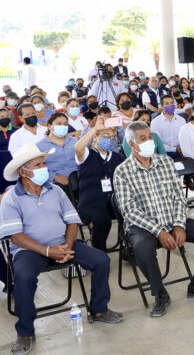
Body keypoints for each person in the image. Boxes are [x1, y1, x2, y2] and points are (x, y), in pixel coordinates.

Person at [1, 144, 124, 354]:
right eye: (38, 164)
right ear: (23, 170)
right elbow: (15, 236)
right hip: (30, 251)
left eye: (44, 163)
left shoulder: (55, 190)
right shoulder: (11, 197)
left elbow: (72, 221)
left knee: (101, 260)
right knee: (22, 276)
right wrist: (48, 252)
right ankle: (25, 332)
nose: (44, 168)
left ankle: (98, 310)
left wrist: (67, 245)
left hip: (63, 243)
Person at [114, 122, 194, 317]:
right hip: (144, 227)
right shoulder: (122, 171)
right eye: (143, 138)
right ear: (132, 144)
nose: (149, 141)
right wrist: (160, 231)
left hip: (172, 220)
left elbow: (179, 197)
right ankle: (160, 294)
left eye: (150, 137)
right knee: (142, 247)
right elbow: (129, 210)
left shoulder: (165, 163)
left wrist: (179, 225)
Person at [74, 117, 125, 251]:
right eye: (105, 135)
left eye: (112, 137)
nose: (109, 139)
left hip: (114, 202)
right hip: (91, 204)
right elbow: (78, 148)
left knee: (132, 212)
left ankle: (130, 247)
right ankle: (99, 252)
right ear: (96, 137)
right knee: (102, 220)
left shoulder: (117, 157)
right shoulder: (87, 155)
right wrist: (94, 129)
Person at [36, 113, 78, 189]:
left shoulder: (75, 142)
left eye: (65, 124)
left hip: (78, 180)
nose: (63, 126)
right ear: (49, 126)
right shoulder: (39, 146)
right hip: (54, 184)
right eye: (59, 124)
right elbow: (37, 167)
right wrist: (55, 177)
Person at [150, 95, 186, 159]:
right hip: (163, 152)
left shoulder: (181, 120)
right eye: (167, 103)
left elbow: (184, 138)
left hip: (180, 151)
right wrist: (175, 149)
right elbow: (158, 143)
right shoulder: (155, 122)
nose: (170, 105)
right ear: (162, 106)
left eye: (172, 103)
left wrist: (183, 149)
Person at [0, 107, 18, 193]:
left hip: (14, 161)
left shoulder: (17, 131)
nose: (5, 118)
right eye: (2, 117)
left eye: (7, 116)